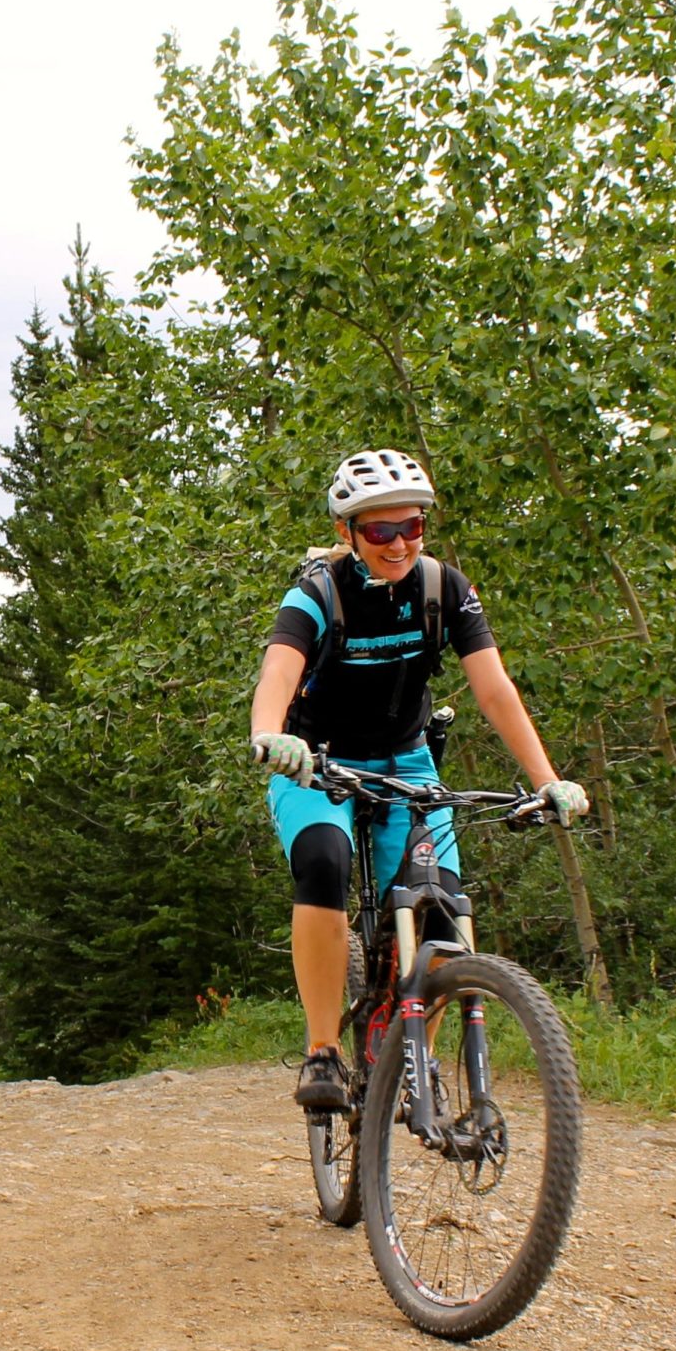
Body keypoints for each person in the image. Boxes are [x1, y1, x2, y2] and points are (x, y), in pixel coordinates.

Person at [248, 449, 588, 1110]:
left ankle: (418, 1060)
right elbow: (278, 675)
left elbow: (493, 689)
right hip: (314, 759)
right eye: (380, 530)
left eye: (412, 526)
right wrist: (271, 735)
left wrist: (548, 779)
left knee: (439, 902)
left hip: (406, 761)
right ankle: (323, 1050)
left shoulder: (446, 590)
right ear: (349, 532)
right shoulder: (317, 595)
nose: (399, 542)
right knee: (324, 859)